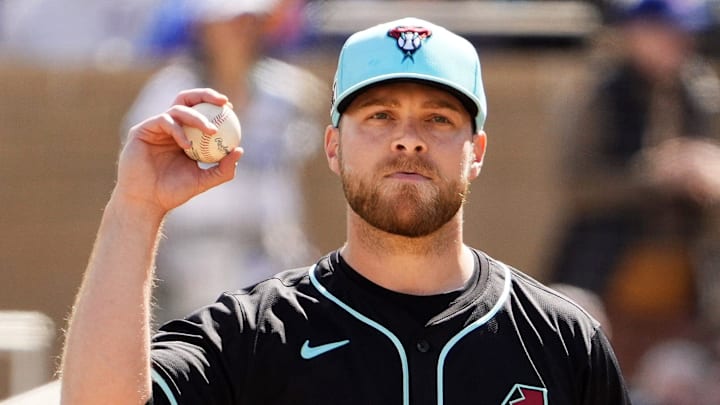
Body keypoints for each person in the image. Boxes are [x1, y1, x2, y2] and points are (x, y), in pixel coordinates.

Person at [60, 17, 630, 404]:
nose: (408, 139)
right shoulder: (257, 333)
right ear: (333, 146)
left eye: (437, 119)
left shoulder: (563, 341)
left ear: (475, 152)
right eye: (380, 116)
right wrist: (136, 207)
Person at [124, 0, 325, 322]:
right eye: (230, 21)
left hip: (267, 255)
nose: (240, 31)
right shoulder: (169, 94)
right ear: (204, 26)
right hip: (188, 257)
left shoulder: (288, 94)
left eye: (249, 20)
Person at [550, 0, 720, 324]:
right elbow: (579, 185)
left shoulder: (700, 93)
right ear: (635, 34)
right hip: (606, 264)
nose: (679, 44)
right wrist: (655, 174)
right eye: (667, 33)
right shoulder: (601, 94)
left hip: (685, 271)